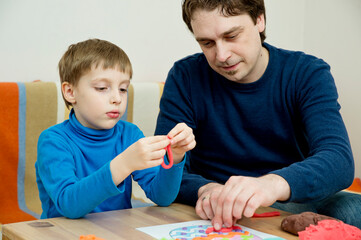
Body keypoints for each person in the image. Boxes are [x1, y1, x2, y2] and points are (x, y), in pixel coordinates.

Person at [155, 0, 361, 230]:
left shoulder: (306, 72)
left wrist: (270, 186)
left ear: (259, 20)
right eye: (207, 43)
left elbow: (338, 159)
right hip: (217, 204)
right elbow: (164, 165)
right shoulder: (185, 77)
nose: (222, 55)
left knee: (354, 207)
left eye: (231, 36)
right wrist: (207, 190)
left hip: (289, 198)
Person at [35, 39, 196, 219]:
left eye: (123, 89)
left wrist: (176, 156)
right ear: (70, 92)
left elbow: (162, 197)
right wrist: (124, 164)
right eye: (102, 88)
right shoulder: (53, 141)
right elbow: (69, 205)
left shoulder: (129, 134)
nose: (116, 98)